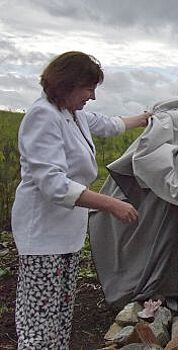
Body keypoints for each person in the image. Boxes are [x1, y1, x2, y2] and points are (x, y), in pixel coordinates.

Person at [11, 51, 152, 349]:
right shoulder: (43, 116)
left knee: (61, 314)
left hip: (66, 234)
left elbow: (107, 124)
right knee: (40, 319)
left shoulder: (73, 114)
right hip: (43, 234)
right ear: (66, 84)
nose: (93, 96)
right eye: (88, 88)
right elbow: (53, 184)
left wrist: (143, 119)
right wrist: (111, 204)